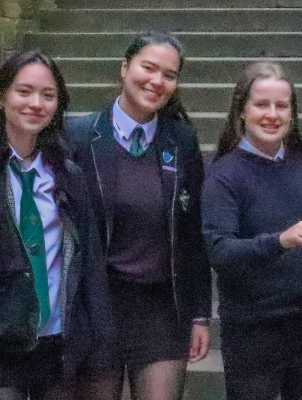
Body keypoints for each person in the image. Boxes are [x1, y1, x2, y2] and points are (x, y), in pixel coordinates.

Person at [0, 50, 110, 400]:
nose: (36, 103)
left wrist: (97, 337)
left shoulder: (69, 174)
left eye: (48, 95)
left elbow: (87, 261)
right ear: (2, 97)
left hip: (59, 343)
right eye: (24, 91)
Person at [66, 31, 212, 399]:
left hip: (162, 311)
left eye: (169, 75)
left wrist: (199, 314)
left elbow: (193, 232)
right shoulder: (79, 135)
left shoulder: (181, 141)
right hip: (96, 308)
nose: (157, 81)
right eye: (148, 68)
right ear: (124, 68)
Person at [203, 62, 302, 400]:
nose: (272, 114)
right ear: (242, 109)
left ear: (292, 112)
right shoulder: (224, 175)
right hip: (253, 330)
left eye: (282, 105)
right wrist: (279, 241)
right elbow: (220, 252)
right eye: (262, 104)